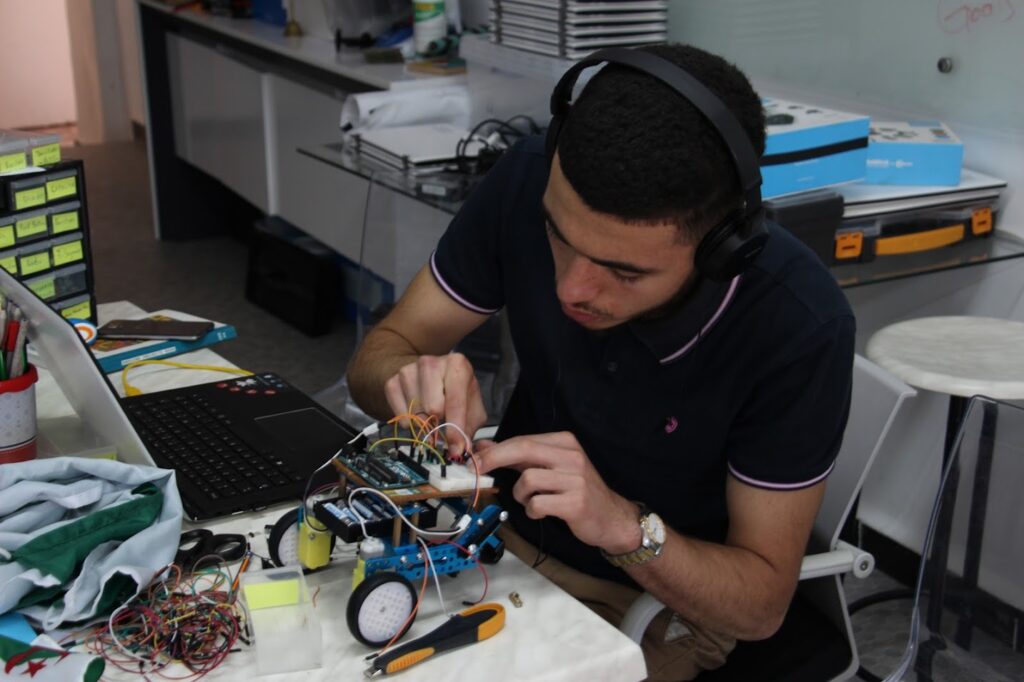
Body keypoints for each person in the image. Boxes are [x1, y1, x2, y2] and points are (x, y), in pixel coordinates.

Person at [347, 43, 855, 680]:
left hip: (656, 599)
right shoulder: (529, 180)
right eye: (559, 238)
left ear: (720, 248)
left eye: (624, 272)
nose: (571, 291)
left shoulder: (797, 327)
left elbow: (758, 608)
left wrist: (621, 525)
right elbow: (380, 352)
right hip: (493, 537)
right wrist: (407, 383)